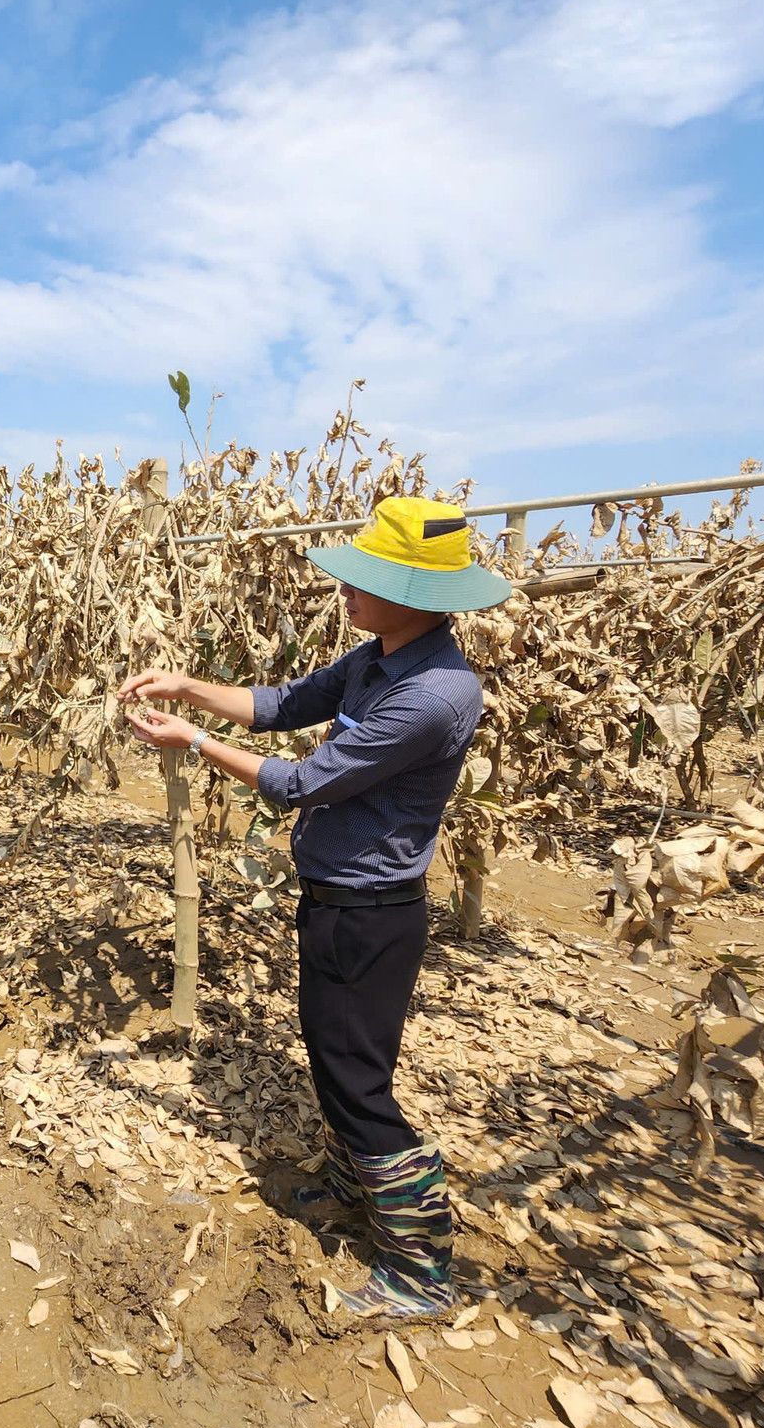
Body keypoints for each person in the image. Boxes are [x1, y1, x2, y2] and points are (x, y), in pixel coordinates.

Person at [118, 497, 511, 1321]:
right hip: (338, 899)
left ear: (419, 595)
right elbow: (281, 705)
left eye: (367, 580)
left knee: (358, 1084)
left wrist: (188, 741)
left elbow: (300, 781)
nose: (347, 592)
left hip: (371, 912)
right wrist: (188, 687)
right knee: (336, 1063)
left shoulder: (435, 696)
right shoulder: (377, 660)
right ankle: (347, 1187)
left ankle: (420, 1268)